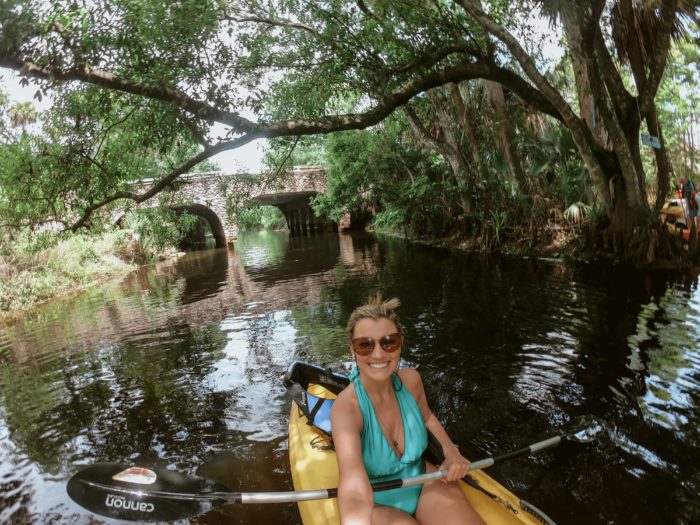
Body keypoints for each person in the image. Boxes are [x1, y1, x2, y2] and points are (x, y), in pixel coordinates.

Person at [331, 295, 485, 525]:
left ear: (400, 343)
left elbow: (427, 416)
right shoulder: (346, 408)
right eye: (365, 344)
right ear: (352, 349)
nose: (378, 354)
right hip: (376, 501)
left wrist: (450, 451)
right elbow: (353, 490)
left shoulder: (411, 380)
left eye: (388, 341)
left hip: (423, 481)